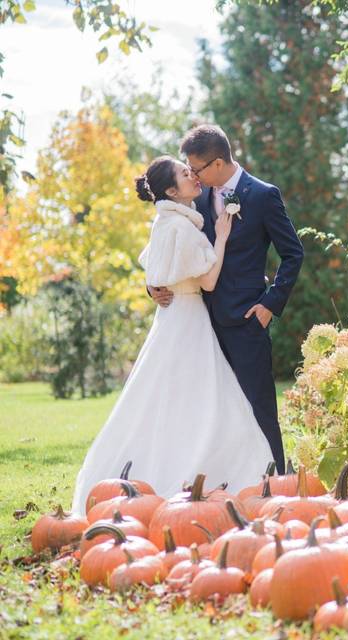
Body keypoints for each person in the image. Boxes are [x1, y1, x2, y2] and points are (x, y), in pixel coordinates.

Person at [71, 156, 274, 512]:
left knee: (164, 397)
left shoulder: (165, 222)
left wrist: (154, 287)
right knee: (203, 398)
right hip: (190, 317)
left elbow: (156, 269)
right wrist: (222, 238)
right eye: (184, 174)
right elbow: (207, 280)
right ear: (170, 190)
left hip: (171, 319)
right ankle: (203, 473)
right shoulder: (183, 227)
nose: (192, 176)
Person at [148, 125, 303, 474]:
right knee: (213, 414)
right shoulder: (194, 199)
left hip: (247, 321)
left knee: (259, 408)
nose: (193, 175)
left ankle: (275, 482)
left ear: (217, 162)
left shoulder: (263, 195)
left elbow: (293, 254)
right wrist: (153, 287)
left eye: (197, 168)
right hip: (200, 323)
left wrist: (269, 305)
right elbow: (169, 248)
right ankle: (226, 483)